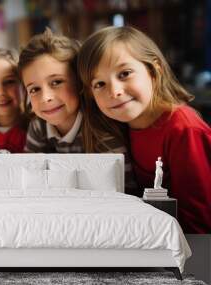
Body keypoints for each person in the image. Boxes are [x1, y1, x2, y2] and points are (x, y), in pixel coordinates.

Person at [78, 26, 211, 234]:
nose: (115, 91)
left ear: (153, 70)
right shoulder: (119, 126)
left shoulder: (184, 128)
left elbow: (199, 223)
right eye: (100, 84)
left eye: (124, 74)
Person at [18, 28, 138, 194]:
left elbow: (124, 192)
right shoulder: (38, 126)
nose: (46, 97)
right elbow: (30, 185)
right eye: (34, 89)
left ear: (80, 82)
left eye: (56, 82)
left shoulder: (101, 128)